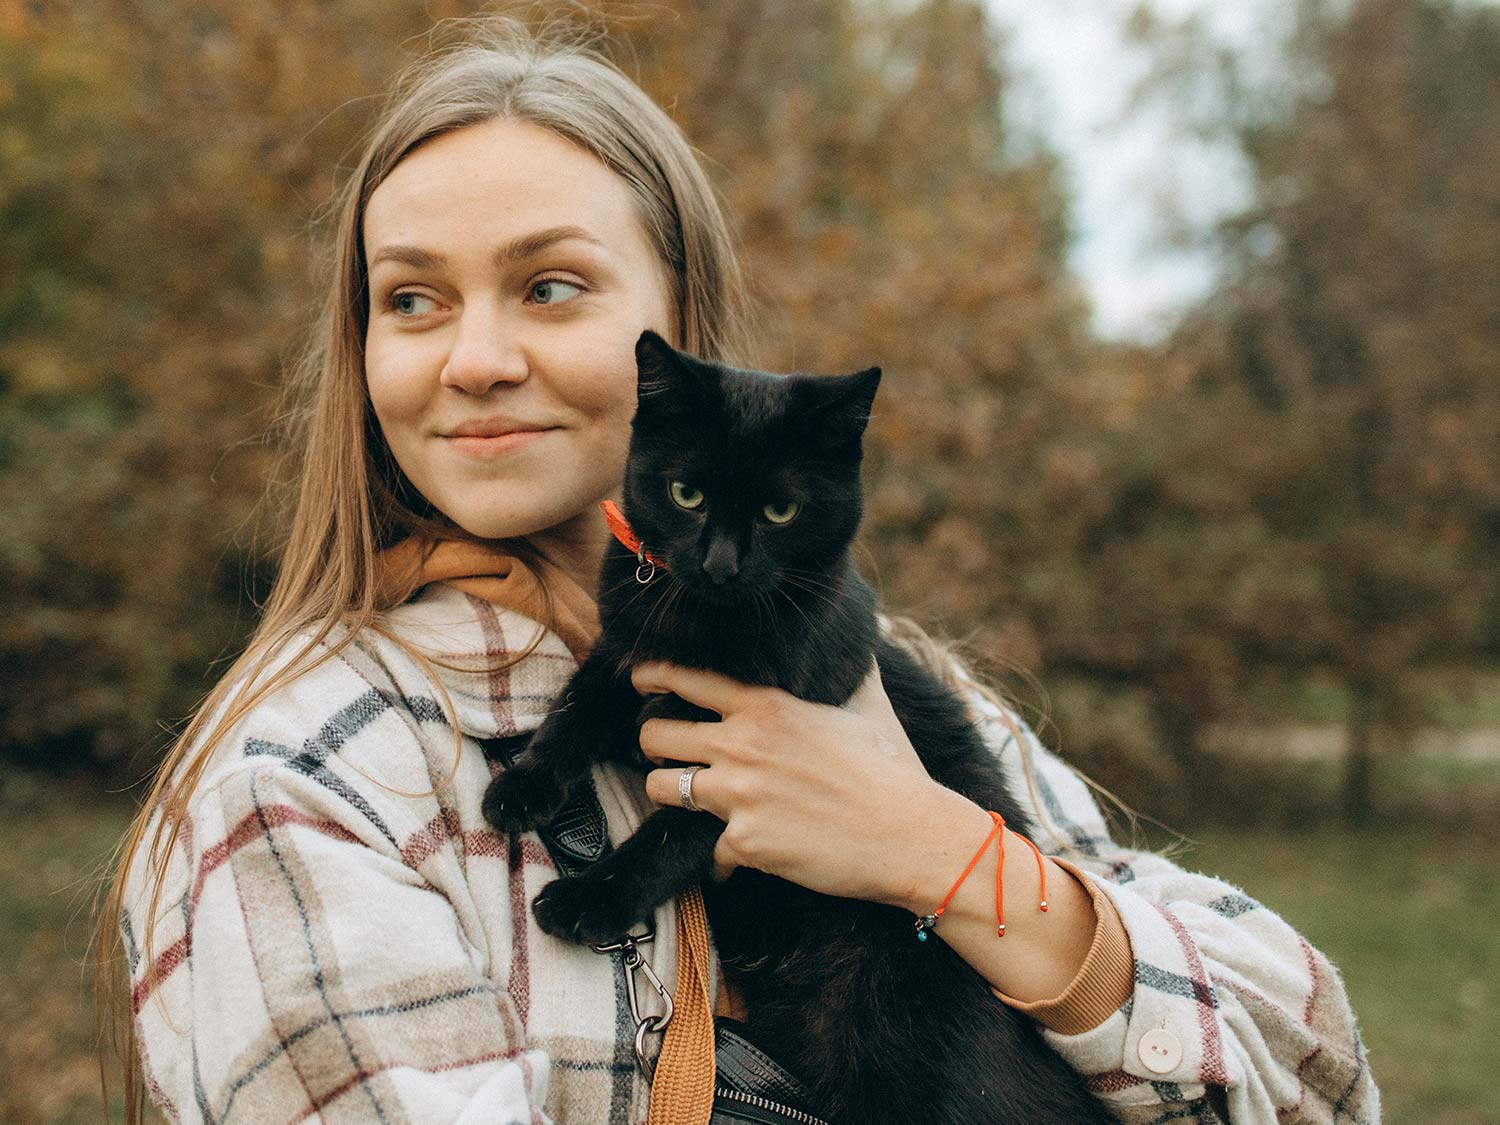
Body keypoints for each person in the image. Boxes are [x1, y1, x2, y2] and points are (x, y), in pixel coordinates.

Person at [98, 18, 1379, 1125]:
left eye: (549, 286)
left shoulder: (885, 687)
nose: (474, 357)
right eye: (414, 299)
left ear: (680, 335)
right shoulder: (322, 778)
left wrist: (938, 850)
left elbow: (1315, 1074)